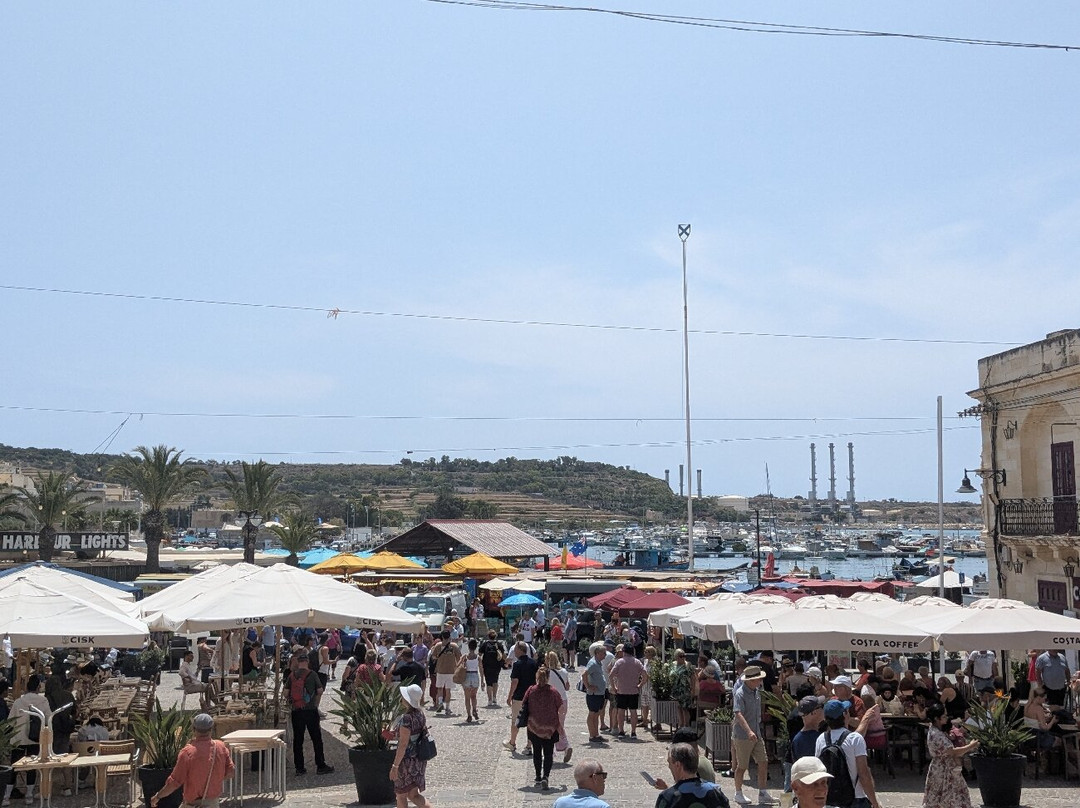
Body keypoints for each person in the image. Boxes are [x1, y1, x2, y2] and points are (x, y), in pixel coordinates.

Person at [149, 713, 234, 808]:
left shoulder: (187, 752)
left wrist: (158, 796)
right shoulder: (221, 747)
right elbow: (230, 772)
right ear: (211, 729)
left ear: (193, 730)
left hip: (193, 804)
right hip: (213, 803)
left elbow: (174, 782)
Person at [814, 699, 881, 808]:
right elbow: (863, 774)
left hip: (830, 799)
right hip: (856, 798)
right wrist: (874, 802)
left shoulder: (821, 739)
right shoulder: (855, 739)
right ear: (845, 715)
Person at [283, 655, 333, 775]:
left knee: (298, 739)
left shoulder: (292, 675)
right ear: (307, 662)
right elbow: (320, 690)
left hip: (296, 711)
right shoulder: (312, 674)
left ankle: (299, 768)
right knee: (316, 738)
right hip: (310, 710)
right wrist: (315, 702)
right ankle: (320, 766)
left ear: (298, 662)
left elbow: (285, 693)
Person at [923, 703, 978, 808]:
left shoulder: (937, 730)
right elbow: (953, 752)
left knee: (950, 798)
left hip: (944, 769)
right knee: (947, 799)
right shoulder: (936, 735)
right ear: (936, 718)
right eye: (944, 716)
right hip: (943, 770)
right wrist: (971, 746)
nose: (947, 717)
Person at [6, 674, 50, 805]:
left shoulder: (18, 702)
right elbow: (48, 718)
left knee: (14, 766)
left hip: (18, 738)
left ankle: (6, 796)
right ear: (38, 687)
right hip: (34, 738)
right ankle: (29, 795)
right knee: (31, 765)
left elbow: (10, 721)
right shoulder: (43, 701)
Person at [731, 664, 772, 805]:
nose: (760, 682)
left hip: (756, 733)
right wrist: (748, 731)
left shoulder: (756, 692)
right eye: (757, 679)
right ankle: (738, 793)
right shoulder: (740, 694)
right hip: (743, 735)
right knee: (742, 766)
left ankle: (762, 793)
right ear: (749, 680)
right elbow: (738, 714)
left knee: (763, 761)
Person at [390, 684, 432, 808]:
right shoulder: (420, 714)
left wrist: (395, 766)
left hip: (406, 761)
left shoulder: (407, 718)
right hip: (419, 759)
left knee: (401, 795)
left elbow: (403, 744)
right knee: (413, 795)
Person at [522, 666, 563, 790]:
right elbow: (560, 705)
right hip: (550, 727)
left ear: (537, 677)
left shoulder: (531, 690)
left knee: (537, 752)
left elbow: (524, 703)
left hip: (534, 726)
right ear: (548, 677)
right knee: (548, 753)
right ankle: (546, 776)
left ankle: (538, 776)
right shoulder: (553, 692)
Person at [653, 742, 731, 808]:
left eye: (669, 763)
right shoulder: (716, 793)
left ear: (677, 765)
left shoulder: (667, 798)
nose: (669, 766)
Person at [652, 727, 717, 788]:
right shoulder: (704, 760)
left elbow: (686, 795)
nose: (669, 766)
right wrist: (666, 787)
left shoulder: (691, 763)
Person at [505, 641, 539, 754]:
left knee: (515, 720)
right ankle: (529, 746)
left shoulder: (517, 664)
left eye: (515, 649)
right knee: (530, 722)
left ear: (520, 650)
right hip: (532, 696)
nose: (514, 651)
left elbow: (515, 682)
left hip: (519, 696)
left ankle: (513, 743)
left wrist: (509, 696)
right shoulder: (533, 663)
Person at [609, 643, 646, 738]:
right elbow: (645, 675)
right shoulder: (637, 662)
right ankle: (633, 732)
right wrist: (640, 685)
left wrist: (614, 687)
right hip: (633, 690)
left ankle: (621, 731)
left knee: (621, 711)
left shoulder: (619, 662)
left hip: (621, 690)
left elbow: (611, 675)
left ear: (624, 651)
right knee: (633, 712)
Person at [545, 650, 574, 764]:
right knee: (559, 725)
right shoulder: (564, 671)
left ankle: (553, 750)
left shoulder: (546, 673)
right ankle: (565, 746)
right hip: (563, 701)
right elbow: (567, 687)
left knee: (549, 727)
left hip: (551, 702)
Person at [582, 643, 609, 744]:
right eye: (603, 653)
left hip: (599, 693)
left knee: (597, 714)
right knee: (592, 714)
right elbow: (584, 674)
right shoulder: (592, 663)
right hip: (593, 694)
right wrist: (588, 686)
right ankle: (592, 735)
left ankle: (596, 734)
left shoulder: (598, 663)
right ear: (597, 653)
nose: (605, 655)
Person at [431, 630, 462, 715]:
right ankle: (447, 707)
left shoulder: (438, 645)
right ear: (450, 636)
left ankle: (440, 703)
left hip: (440, 670)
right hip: (451, 671)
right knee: (448, 690)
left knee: (440, 689)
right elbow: (459, 657)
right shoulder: (454, 646)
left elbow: (433, 657)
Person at [479, 630, 506, 706]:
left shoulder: (485, 644)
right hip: (497, 666)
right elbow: (503, 655)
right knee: (495, 681)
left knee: (489, 683)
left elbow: (480, 654)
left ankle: (489, 699)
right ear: (495, 636)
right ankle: (494, 697)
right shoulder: (499, 644)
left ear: (488, 636)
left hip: (487, 666)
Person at [670, 649, 696, 729]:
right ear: (676, 657)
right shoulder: (673, 665)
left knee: (685, 708)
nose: (683, 657)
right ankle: (681, 725)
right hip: (675, 690)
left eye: (684, 656)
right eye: (681, 656)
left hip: (685, 690)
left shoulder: (688, 665)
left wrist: (693, 689)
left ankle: (686, 725)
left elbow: (693, 678)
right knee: (678, 707)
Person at [459, 638, 481, 722]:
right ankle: (474, 709)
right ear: (476, 647)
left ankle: (469, 715)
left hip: (467, 676)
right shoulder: (478, 657)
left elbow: (458, 665)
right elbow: (481, 669)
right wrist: (482, 680)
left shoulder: (465, 656)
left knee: (467, 697)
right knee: (474, 696)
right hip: (475, 675)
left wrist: (463, 662)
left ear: (468, 647)